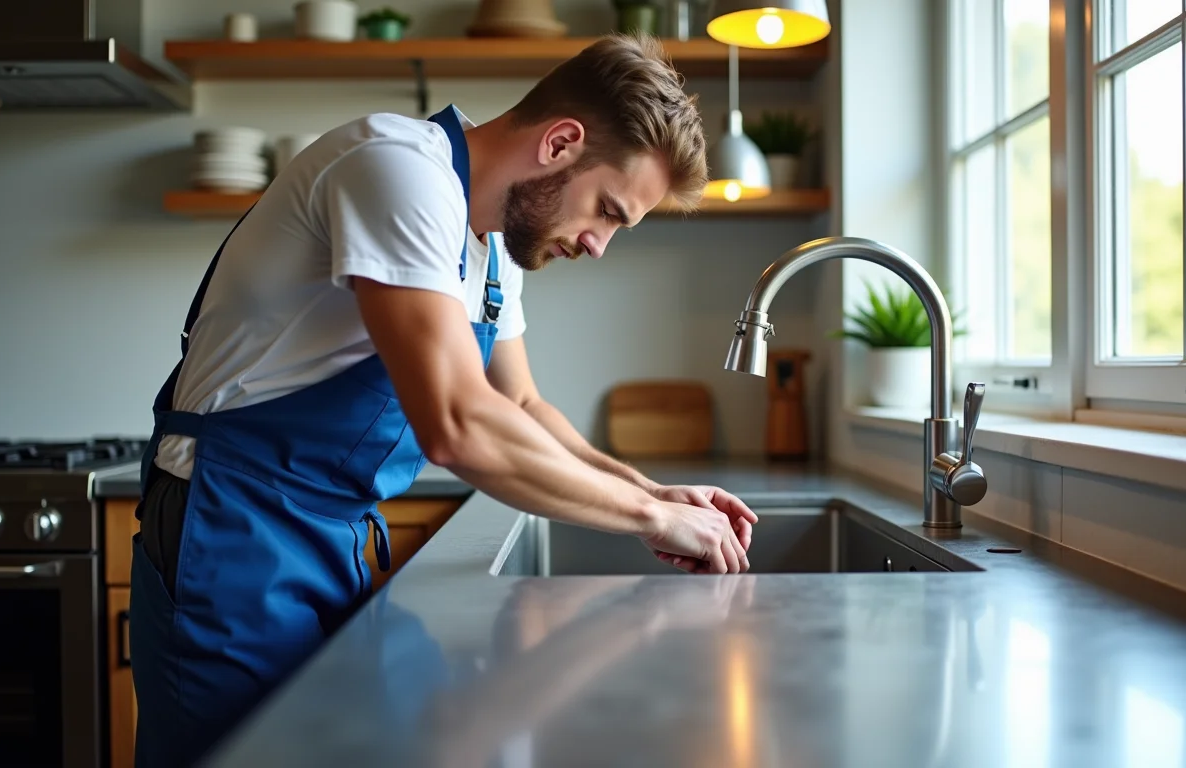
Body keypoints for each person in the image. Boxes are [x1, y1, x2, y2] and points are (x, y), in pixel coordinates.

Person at [128, 33, 758, 768]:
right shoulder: (396, 171)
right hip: (229, 532)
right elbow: (458, 424)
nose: (598, 245)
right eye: (607, 210)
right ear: (560, 143)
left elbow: (520, 405)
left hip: (333, 536)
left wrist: (651, 489)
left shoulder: (489, 246)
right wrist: (652, 519)